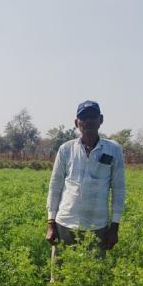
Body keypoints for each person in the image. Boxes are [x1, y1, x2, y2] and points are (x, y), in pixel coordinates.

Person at [45, 100, 125, 257]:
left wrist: (114, 227)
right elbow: (55, 187)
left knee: (93, 270)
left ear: (100, 120)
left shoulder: (113, 149)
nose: (88, 121)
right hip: (65, 223)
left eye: (92, 116)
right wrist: (51, 223)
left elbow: (119, 189)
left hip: (97, 226)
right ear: (77, 123)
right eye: (83, 117)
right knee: (61, 270)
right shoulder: (66, 149)